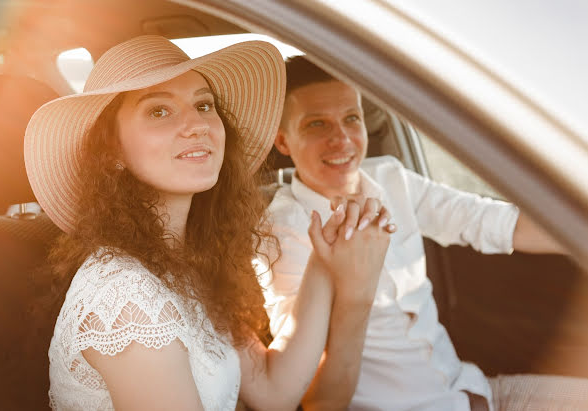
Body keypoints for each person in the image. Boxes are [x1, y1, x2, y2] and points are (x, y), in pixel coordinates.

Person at [24, 36, 391, 410]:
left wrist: (324, 262)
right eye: (159, 111)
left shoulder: (189, 265)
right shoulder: (126, 296)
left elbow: (272, 390)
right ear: (113, 149)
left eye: (203, 105)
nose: (197, 125)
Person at [262, 56, 588, 410]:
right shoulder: (282, 231)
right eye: (316, 124)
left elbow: (492, 222)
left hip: (476, 392)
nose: (341, 139)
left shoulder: (390, 177)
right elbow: (309, 388)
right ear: (283, 141)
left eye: (351, 119)